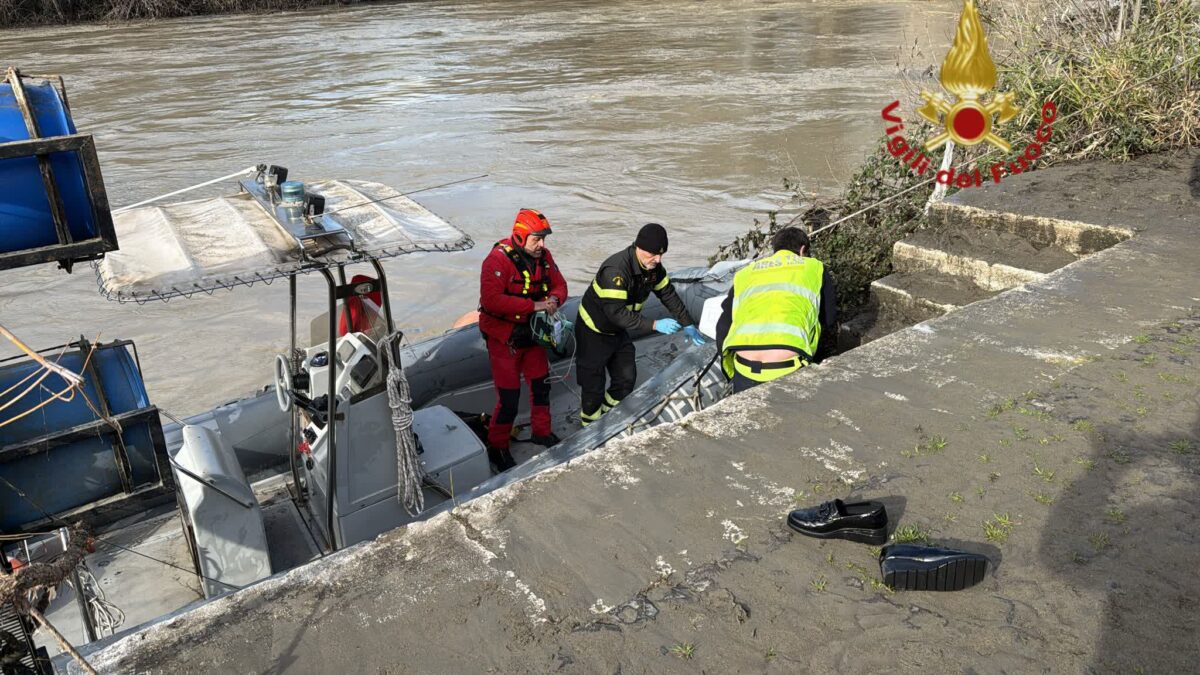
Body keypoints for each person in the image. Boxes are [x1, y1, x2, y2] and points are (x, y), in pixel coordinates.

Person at [575, 223, 705, 427]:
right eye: (654, 254)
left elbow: (668, 295)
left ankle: (609, 417)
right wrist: (654, 325)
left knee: (626, 378)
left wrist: (687, 323)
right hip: (594, 331)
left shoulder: (654, 269)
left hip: (618, 331)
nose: (658, 259)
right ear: (639, 247)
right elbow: (616, 313)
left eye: (662, 254)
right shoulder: (616, 271)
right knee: (593, 386)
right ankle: (588, 427)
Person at [478, 208, 568, 471]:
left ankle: (542, 431)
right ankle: (498, 446)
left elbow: (560, 286)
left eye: (543, 238)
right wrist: (536, 306)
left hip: (533, 335)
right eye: (536, 239)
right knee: (508, 398)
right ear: (520, 237)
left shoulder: (545, 257)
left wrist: (554, 300)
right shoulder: (496, 261)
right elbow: (491, 300)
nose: (542, 244)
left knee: (541, 386)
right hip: (505, 338)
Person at [716, 226, 837, 393]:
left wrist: (731, 374)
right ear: (803, 250)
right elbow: (829, 320)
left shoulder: (745, 273)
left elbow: (723, 327)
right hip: (786, 368)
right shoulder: (814, 268)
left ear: (775, 249)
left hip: (744, 368)